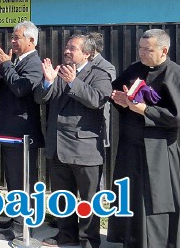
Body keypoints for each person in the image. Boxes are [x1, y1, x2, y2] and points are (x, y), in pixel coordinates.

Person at [107, 29, 180, 248]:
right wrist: (121, 100)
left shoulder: (177, 75)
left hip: (159, 150)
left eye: (147, 49)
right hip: (131, 146)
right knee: (130, 196)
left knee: (156, 201)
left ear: (164, 50)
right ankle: (130, 240)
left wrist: (145, 110)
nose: (142, 53)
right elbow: (117, 93)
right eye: (140, 48)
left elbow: (179, 118)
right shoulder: (135, 69)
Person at [34, 34, 112, 248]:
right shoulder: (58, 72)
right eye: (66, 47)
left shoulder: (99, 74)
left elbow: (97, 100)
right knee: (62, 197)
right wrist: (48, 81)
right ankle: (66, 234)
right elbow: (40, 99)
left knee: (88, 199)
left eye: (73, 48)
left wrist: (73, 82)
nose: (67, 51)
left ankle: (88, 239)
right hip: (58, 146)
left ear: (87, 53)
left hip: (84, 148)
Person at [0, 21, 44, 241]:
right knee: (12, 178)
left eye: (17, 38)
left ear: (31, 41)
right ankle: (15, 215)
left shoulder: (34, 63)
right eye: (12, 37)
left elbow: (21, 89)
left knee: (23, 179)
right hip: (9, 130)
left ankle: (25, 223)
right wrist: (0, 69)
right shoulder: (15, 62)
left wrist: (6, 67)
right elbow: (2, 86)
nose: (12, 41)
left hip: (22, 132)